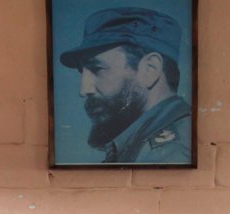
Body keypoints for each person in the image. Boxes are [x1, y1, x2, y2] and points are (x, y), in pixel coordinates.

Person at [59, 6, 192, 164]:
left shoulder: (169, 154)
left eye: (98, 69)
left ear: (150, 69)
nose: (83, 90)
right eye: (83, 72)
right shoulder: (140, 145)